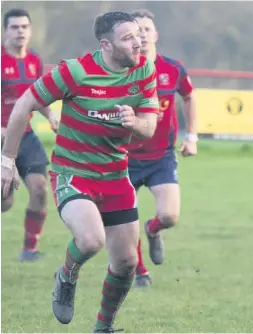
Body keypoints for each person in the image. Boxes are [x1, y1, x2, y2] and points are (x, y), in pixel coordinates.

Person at [0, 11, 159, 332]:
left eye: (138, 35)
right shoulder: (75, 72)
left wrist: (135, 123)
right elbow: (24, 104)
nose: (138, 42)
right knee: (90, 241)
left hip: (115, 175)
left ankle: (103, 327)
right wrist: (6, 161)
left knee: (127, 262)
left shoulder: (145, 69)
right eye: (128, 38)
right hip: (74, 173)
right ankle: (66, 275)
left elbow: (149, 126)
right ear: (106, 45)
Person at [129, 9, 198, 288]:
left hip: (161, 157)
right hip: (126, 157)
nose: (142, 34)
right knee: (126, 221)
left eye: (146, 29)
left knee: (170, 216)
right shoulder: (122, 72)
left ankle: (153, 230)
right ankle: (140, 272)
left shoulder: (173, 69)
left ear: (156, 34)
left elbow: (189, 96)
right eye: (136, 31)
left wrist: (191, 135)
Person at [1, 8, 59, 262]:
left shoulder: (34, 61)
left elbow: (40, 96)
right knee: (5, 200)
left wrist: (52, 116)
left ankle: (29, 249)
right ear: (5, 30)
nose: (20, 31)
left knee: (39, 188)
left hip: (25, 136)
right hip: (2, 139)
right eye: (14, 27)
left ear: (30, 30)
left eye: (24, 27)